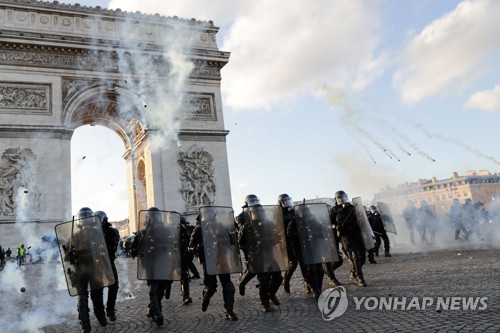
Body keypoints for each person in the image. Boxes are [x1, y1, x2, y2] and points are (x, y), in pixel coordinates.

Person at [60, 207, 116, 333]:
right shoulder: (82, 236)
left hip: (92, 269)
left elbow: (105, 251)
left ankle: (92, 322)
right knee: (86, 299)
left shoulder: (94, 234)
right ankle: (87, 324)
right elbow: (66, 256)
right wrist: (69, 255)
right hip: (84, 270)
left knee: (90, 297)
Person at [130, 207, 182, 327]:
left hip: (164, 264)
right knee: (154, 291)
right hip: (151, 266)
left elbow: (175, 246)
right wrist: (136, 250)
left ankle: (151, 309)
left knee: (160, 292)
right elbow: (134, 249)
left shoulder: (167, 230)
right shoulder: (143, 233)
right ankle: (158, 315)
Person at [189, 208, 238, 321]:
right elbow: (190, 247)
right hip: (209, 260)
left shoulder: (221, 226)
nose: (209, 216)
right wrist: (198, 248)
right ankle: (205, 298)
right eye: (206, 214)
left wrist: (230, 238)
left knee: (228, 286)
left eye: (210, 214)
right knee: (211, 286)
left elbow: (231, 241)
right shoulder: (199, 229)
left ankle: (229, 310)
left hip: (222, 258)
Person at [237, 194, 284, 312]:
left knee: (278, 277)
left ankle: (270, 294)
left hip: (268, 253)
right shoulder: (245, 222)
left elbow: (275, 235)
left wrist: (276, 240)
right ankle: (265, 303)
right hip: (256, 255)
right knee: (263, 278)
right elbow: (241, 242)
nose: (257, 213)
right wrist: (251, 249)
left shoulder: (267, 222)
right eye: (254, 212)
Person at [329, 190, 367, 287]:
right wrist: (336, 226)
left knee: (362, 258)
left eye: (343, 197)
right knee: (356, 256)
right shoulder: (334, 210)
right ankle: (359, 278)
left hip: (356, 234)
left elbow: (361, 219)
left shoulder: (352, 207)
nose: (341, 199)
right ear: (336, 199)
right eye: (339, 198)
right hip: (346, 236)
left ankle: (354, 272)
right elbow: (330, 223)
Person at [91, 210, 120, 322]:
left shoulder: (111, 232)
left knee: (114, 285)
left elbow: (113, 247)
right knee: (96, 289)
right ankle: (99, 313)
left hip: (107, 262)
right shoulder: (89, 232)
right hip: (94, 264)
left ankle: (110, 309)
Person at [279, 194, 308, 294]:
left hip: (297, 240)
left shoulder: (293, 211)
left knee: (304, 263)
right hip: (287, 242)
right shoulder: (278, 213)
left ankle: (308, 283)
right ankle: (286, 282)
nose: (287, 203)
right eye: (284, 201)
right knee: (293, 263)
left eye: (288, 201)